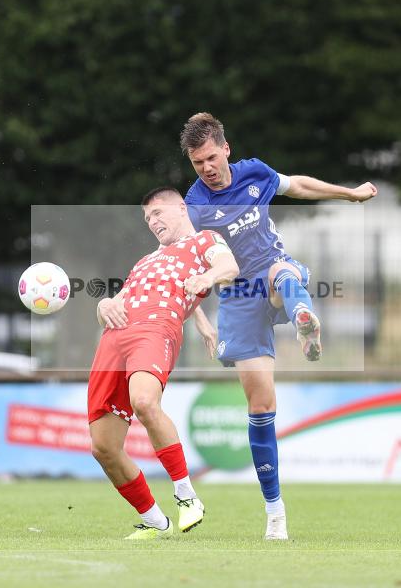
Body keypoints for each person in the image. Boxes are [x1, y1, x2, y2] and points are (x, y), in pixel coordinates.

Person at [180, 112, 377, 540]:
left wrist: (348, 194)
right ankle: (275, 512)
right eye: (198, 163)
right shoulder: (194, 207)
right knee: (261, 406)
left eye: (212, 157)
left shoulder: (255, 173)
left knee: (283, 271)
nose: (208, 168)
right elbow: (183, 268)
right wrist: (198, 318)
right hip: (236, 301)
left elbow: (299, 185)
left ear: (226, 149)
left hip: (270, 274)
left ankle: (304, 320)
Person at [88, 187, 239, 540]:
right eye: (147, 219)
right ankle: (156, 521)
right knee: (103, 447)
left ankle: (187, 496)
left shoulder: (204, 241)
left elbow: (229, 265)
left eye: (158, 213)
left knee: (144, 401)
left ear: (182, 207)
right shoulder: (144, 261)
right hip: (114, 340)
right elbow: (120, 301)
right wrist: (103, 305)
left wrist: (207, 278)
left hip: (155, 330)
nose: (153, 222)